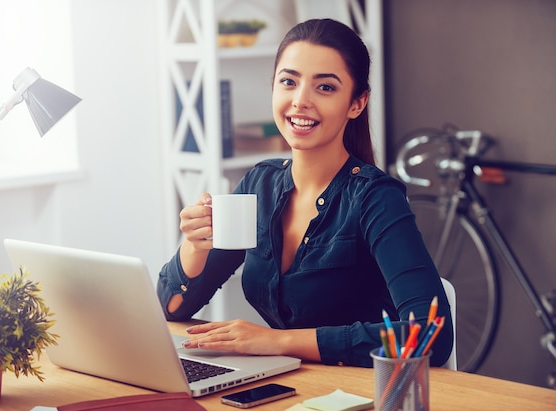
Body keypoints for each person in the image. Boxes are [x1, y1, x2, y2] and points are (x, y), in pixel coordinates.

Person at [157, 18, 453, 367]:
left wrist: (277, 341)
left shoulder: (375, 198)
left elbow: (430, 335)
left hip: (361, 392)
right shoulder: (259, 186)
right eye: (288, 82)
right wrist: (194, 245)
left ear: (356, 104)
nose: (300, 101)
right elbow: (174, 308)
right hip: (286, 385)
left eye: (324, 88)